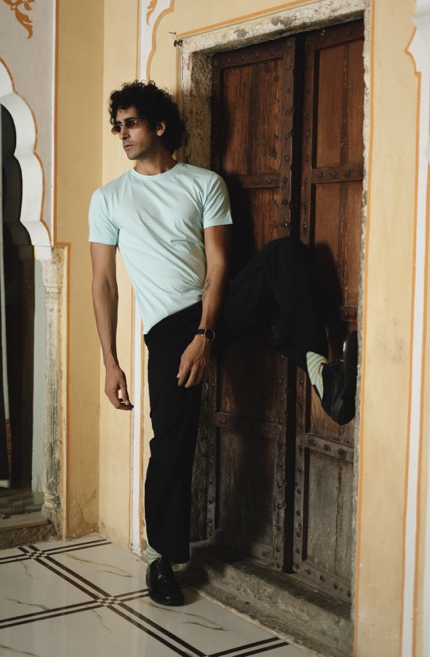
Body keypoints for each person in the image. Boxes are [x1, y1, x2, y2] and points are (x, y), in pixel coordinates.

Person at [89, 80, 357, 608]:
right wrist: (110, 362)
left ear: (159, 126)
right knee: (171, 444)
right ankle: (161, 558)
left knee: (285, 254)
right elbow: (103, 283)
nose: (122, 133)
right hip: (167, 329)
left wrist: (206, 335)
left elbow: (218, 265)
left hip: (213, 308)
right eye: (117, 126)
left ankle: (321, 374)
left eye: (131, 123)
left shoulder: (204, 183)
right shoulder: (109, 198)